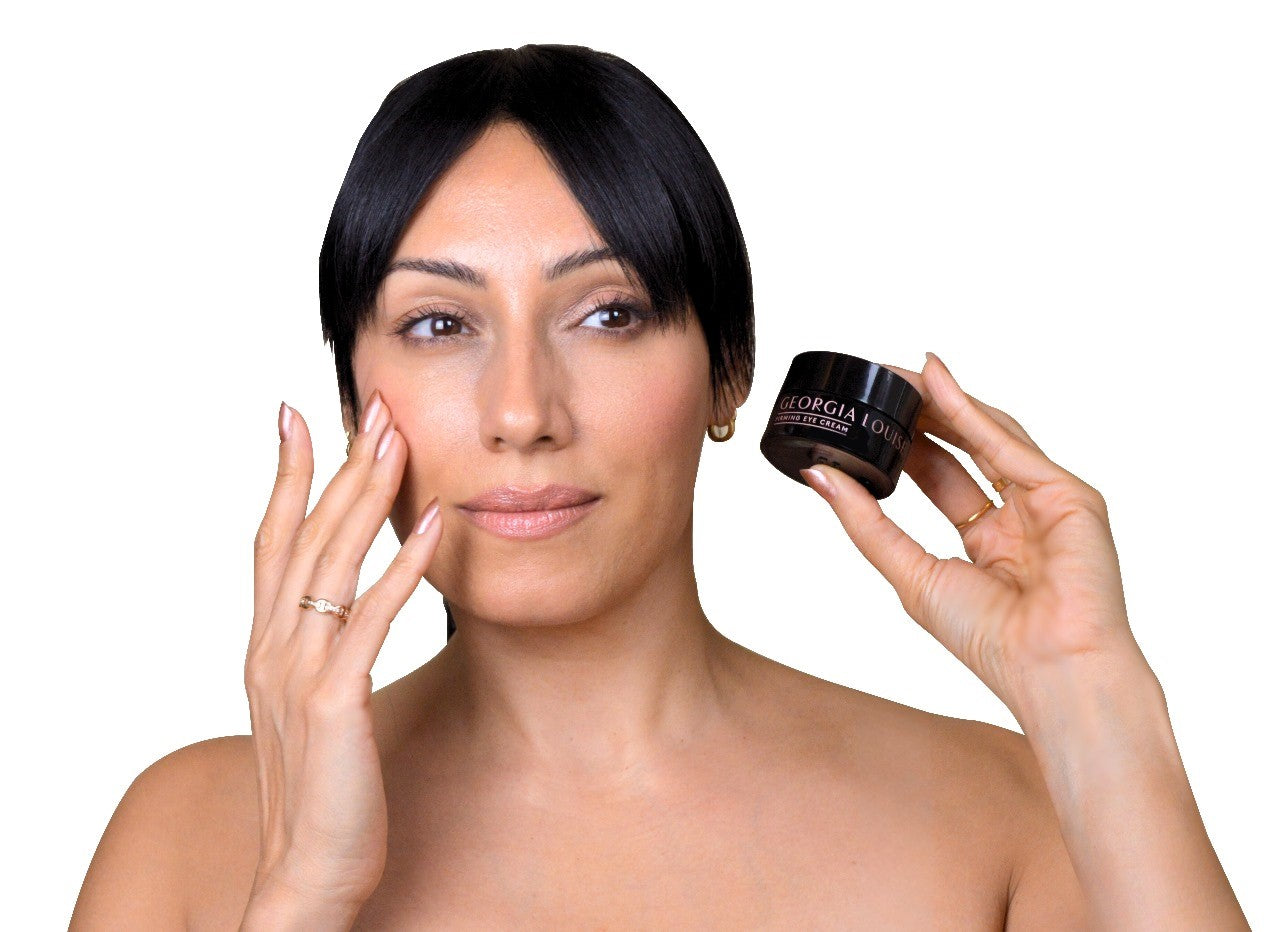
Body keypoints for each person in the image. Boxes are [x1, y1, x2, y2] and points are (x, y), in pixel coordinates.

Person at [71, 44, 1249, 929]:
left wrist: (1101, 712)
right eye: (439, 322)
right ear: (350, 401)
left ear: (727, 371)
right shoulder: (188, 835)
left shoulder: (1016, 814)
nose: (522, 410)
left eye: (607, 313)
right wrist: (301, 891)